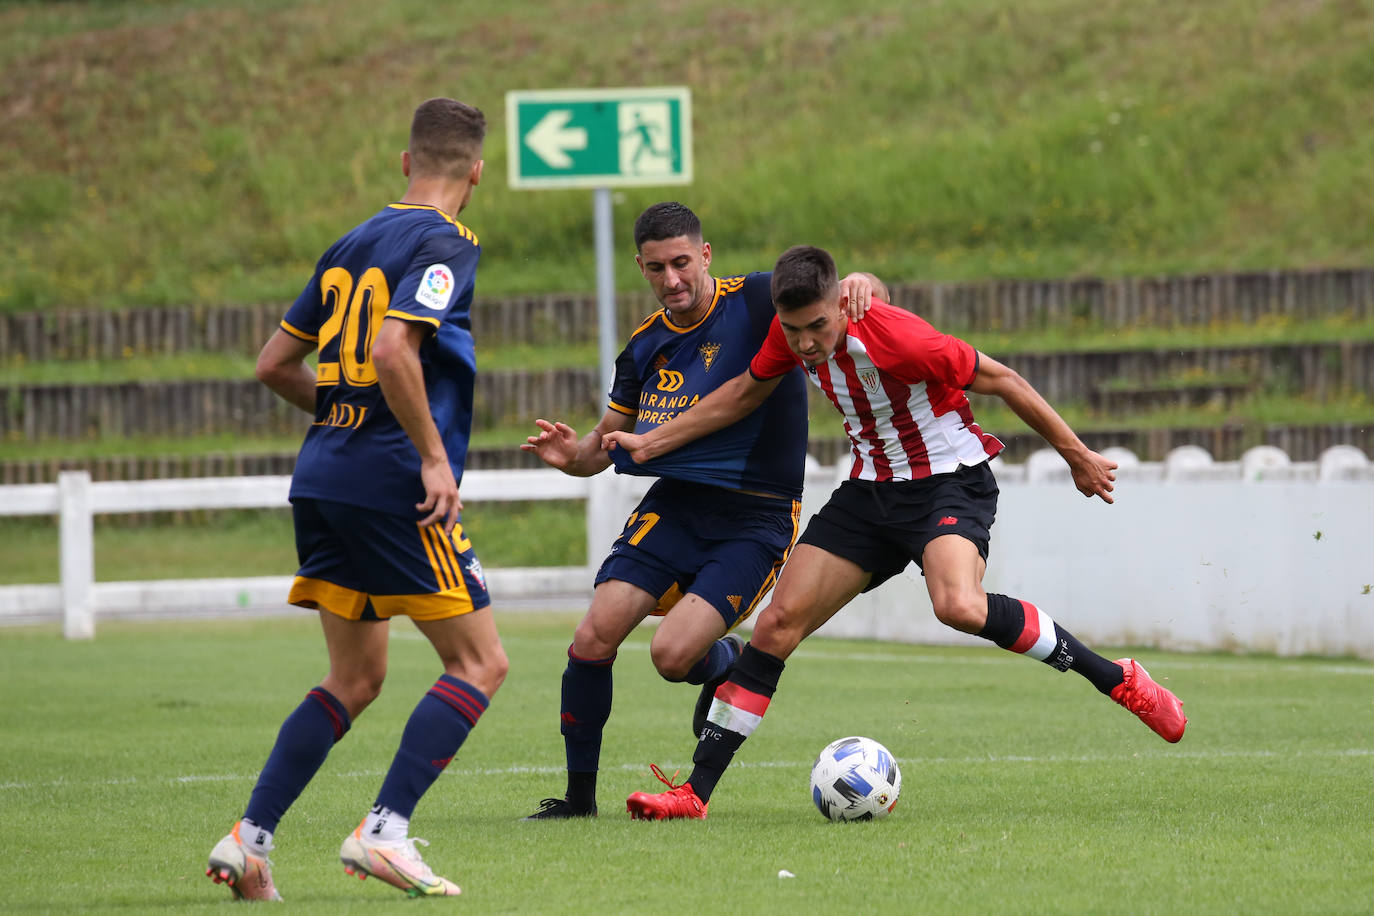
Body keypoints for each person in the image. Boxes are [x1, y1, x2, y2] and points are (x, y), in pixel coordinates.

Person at [606, 245, 1188, 820]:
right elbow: (739, 394)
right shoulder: (790, 333)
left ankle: (1118, 679)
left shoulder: (900, 338)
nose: (806, 343)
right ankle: (694, 795)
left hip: (948, 483)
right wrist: (649, 443)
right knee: (776, 627)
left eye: (816, 326)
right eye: (793, 329)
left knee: (957, 605)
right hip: (868, 493)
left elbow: (1004, 379)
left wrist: (1078, 455)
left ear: (840, 305)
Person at [206, 97, 507, 898]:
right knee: (481, 663)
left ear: (405, 163)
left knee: (355, 679)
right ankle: (386, 831)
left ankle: (249, 838)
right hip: (392, 484)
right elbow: (391, 348)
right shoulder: (449, 243)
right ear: (476, 173)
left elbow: (274, 363)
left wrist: (342, 413)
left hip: (323, 478)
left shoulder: (352, 242)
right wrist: (432, 458)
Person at [519, 203, 883, 820]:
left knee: (670, 656)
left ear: (706, 255)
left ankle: (726, 663)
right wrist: (572, 456)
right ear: (640, 267)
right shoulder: (643, 346)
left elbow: (841, 294)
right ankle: (579, 801)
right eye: (656, 268)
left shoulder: (761, 300)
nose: (672, 279)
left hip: (757, 514)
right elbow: (605, 444)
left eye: (682, 262)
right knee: (591, 637)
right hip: (677, 505)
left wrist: (864, 285)